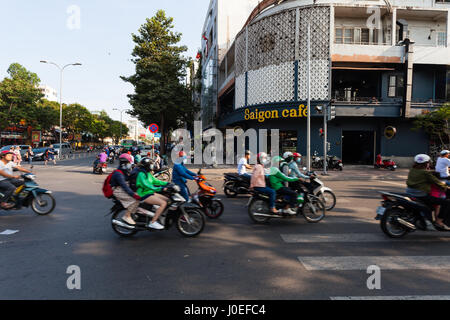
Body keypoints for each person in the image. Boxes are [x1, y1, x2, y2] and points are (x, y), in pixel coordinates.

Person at [406, 154, 450, 230]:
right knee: (446, 202)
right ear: (426, 163)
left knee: (434, 204)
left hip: (410, 192)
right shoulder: (426, 173)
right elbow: (437, 182)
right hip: (421, 195)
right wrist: (446, 187)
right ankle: (439, 222)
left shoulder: (412, 170)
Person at [131, 158, 169, 230]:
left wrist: (167, 183)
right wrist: (160, 188)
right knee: (163, 203)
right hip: (143, 194)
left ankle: (160, 216)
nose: (152, 166)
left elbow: (156, 181)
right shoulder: (141, 174)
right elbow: (147, 185)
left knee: (167, 200)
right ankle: (153, 222)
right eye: (151, 165)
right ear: (147, 166)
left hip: (149, 192)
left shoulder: (148, 173)